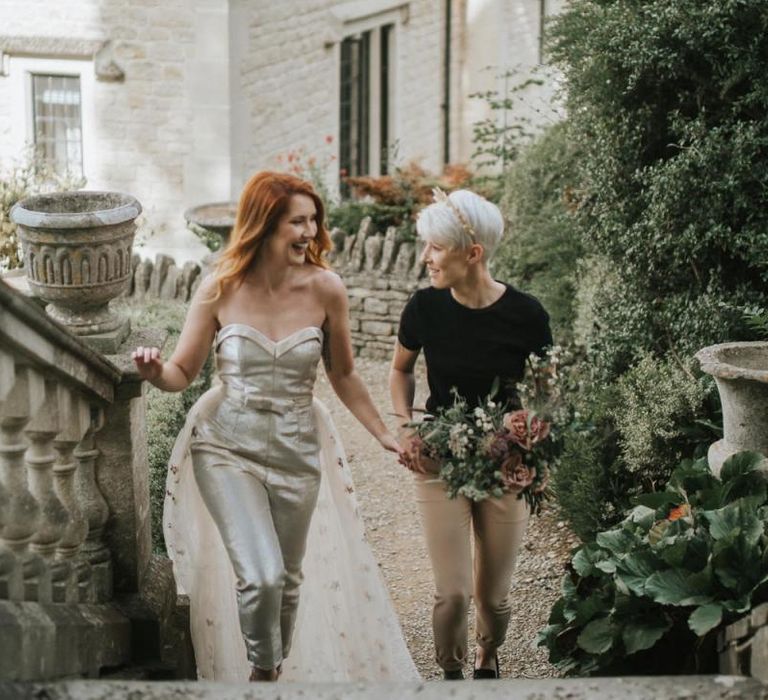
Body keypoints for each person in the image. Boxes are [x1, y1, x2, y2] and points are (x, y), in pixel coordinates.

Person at [133, 171, 417, 682]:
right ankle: (262, 678)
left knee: (286, 581)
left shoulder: (326, 289)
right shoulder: (218, 287)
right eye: (297, 221)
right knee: (260, 577)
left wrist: (383, 432)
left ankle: (274, 670)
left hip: (297, 448)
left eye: (314, 220)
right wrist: (156, 373)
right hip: (225, 447)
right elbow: (181, 373)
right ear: (264, 225)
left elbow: (345, 373)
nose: (309, 231)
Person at [389, 188, 552, 681]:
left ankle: (488, 654)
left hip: (506, 462)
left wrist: (534, 441)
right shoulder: (424, 308)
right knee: (452, 593)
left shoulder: (527, 315)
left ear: (473, 253)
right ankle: (452, 675)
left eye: (435, 247)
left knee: (495, 599)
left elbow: (548, 394)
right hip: (439, 459)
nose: (426, 258)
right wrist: (405, 427)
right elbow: (400, 372)